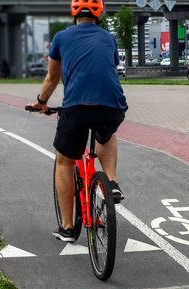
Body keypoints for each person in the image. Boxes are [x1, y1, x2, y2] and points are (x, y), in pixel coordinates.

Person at [28, 0, 128, 242]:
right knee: (106, 133)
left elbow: (52, 78)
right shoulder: (109, 38)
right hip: (112, 105)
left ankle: (67, 228)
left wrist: (41, 101)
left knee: (64, 161)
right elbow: (108, 69)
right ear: (98, 14)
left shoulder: (61, 38)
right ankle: (112, 182)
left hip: (77, 108)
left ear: (74, 12)